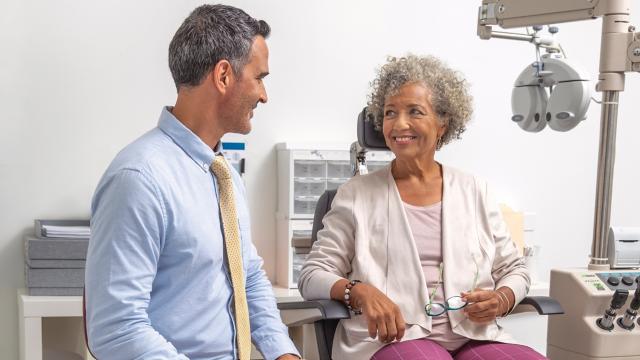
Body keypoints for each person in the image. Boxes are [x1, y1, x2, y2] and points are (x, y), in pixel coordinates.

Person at [85, 5, 299, 360]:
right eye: (259, 78)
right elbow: (116, 329)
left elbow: (248, 277)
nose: (264, 95)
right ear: (224, 76)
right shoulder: (139, 179)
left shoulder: (223, 174)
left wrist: (283, 353)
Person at [298, 55, 546, 360]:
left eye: (415, 111)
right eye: (390, 113)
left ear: (442, 123)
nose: (399, 123)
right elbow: (312, 275)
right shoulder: (356, 195)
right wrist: (359, 292)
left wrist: (502, 298)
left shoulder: (474, 190)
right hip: (391, 340)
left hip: (475, 335)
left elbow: (514, 269)